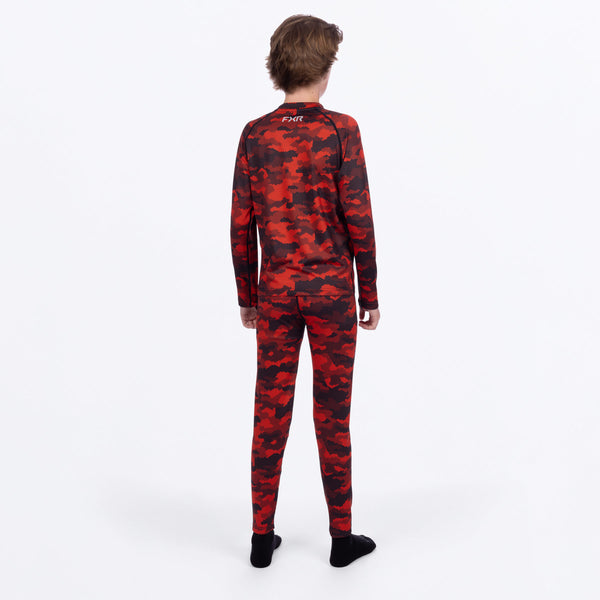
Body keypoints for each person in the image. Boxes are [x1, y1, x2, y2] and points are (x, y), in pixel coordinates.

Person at [230, 14, 380, 568]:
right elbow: (358, 216)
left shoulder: (255, 134)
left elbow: (241, 223)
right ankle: (341, 539)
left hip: (275, 292)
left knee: (269, 410)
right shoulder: (341, 129)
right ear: (324, 68)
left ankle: (260, 538)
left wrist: (247, 295)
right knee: (331, 414)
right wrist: (369, 293)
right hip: (333, 293)